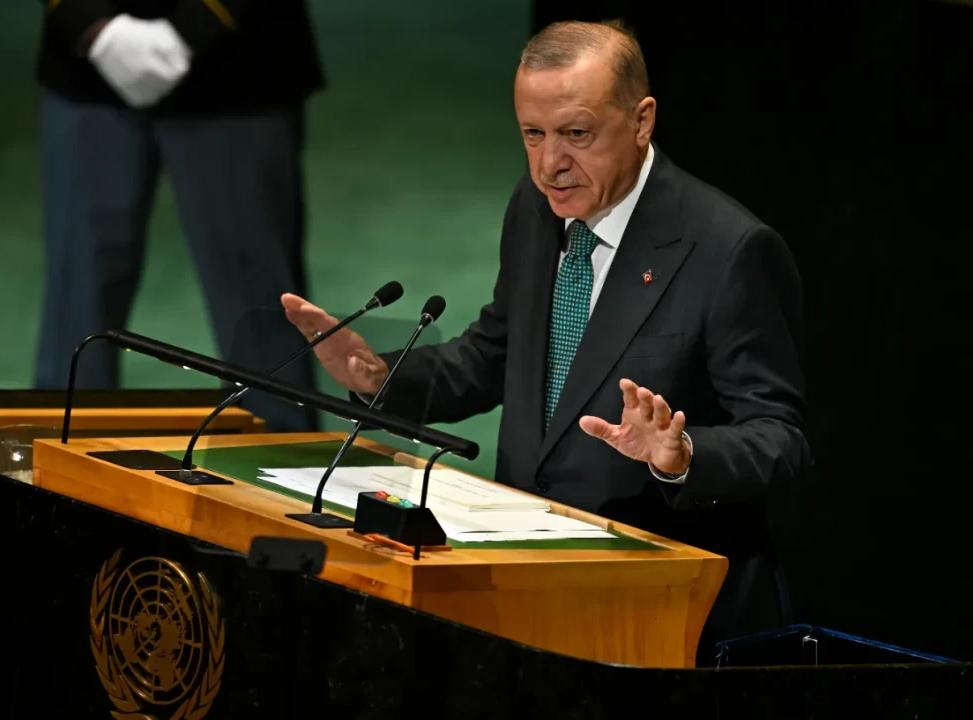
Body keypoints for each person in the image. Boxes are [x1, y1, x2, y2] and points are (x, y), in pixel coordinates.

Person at [281, 19, 810, 664]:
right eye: (532, 134)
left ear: (642, 121)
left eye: (576, 135)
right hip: (526, 585)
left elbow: (781, 438)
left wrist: (682, 454)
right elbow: (497, 354)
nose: (549, 165)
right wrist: (378, 376)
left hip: (659, 611)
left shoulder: (728, 249)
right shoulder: (536, 209)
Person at [31, 0, 324, 432]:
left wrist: (195, 24)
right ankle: (56, 464)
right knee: (76, 308)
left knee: (261, 319)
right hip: (88, 70)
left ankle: (276, 468)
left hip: (239, 69)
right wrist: (90, 25)